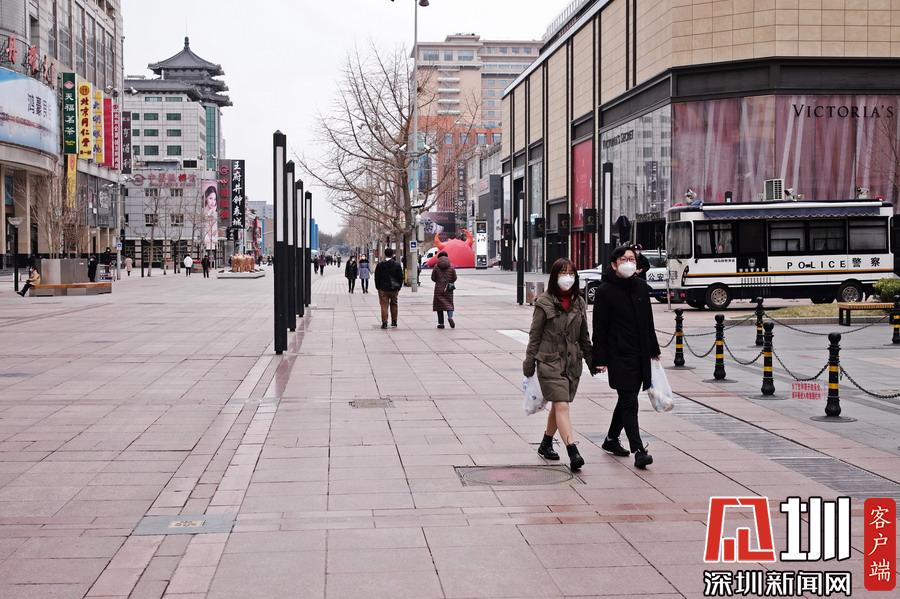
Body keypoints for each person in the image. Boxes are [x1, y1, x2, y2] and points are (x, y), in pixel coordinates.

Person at [592, 245, 661, 470]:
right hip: (618, 354)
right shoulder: (605, 291)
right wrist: (599, 358)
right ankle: (639, 450)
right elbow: (599, 327)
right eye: (624, 259)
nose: (629, 263)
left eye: (632, 259)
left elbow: (648, 321)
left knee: (626, 399)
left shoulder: (640, 287)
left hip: (640, 352)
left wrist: (654, 349)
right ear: (614, 264)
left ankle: (611, 439)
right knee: (630, 400)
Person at [524, 258, 593, 472]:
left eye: (571, 273)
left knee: (558, 405)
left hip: (572, 363)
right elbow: (534, 336)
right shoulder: (544, 302)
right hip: (549, 361)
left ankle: (546, 443)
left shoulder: (579, 302)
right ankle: (573, 451)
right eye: (563, 273)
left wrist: (592, 361)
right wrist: (529, 363)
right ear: (554, 276)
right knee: (562, 404)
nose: (567, 278)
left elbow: (584, 336)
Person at [374, 247, 403, 329]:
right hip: (394, 288)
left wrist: (378, 287)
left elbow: (377, 277)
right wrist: (399, 287)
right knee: (394, 304)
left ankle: (384, 322)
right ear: (392, 254)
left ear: (385, 254)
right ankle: (394, 321)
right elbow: (400, 277)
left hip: (383, 288)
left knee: (384, 305)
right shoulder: (397, 265)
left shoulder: (380, 265)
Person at [431, 251, 457, 329]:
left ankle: (441, 323)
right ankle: (450, 317)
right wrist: (450, 281)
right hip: (448, 289)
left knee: (439, 306)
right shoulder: (451, 266)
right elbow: (454, 277)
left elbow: (433, 278)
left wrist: (438, 281)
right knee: (449, 304)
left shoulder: (436, 266)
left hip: (438, 288)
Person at [202, 186, 218, 252]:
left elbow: (215, 232)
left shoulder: (216, 214)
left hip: (212, 241)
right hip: (205, 241)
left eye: (214, 199)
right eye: (210, 198)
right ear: (206, 198)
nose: (213, 202)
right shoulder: (201, 212)